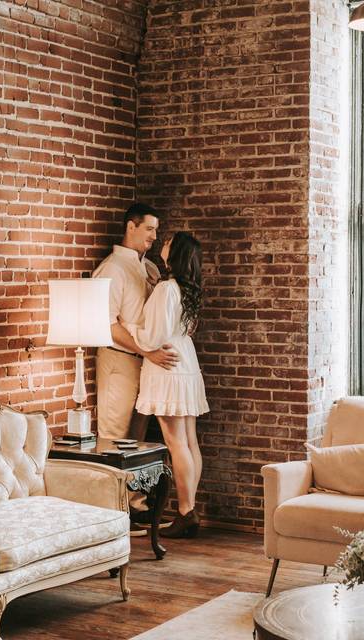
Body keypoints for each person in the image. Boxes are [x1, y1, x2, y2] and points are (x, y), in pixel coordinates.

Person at [125, 231, 208, 539]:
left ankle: (186, 511)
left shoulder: (166, 289)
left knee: (176, 442)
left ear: (177, 253)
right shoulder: (189, 289)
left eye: (170, 240)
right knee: (189, 440)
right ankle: (191, 508)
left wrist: (127, 325)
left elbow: (152, 336)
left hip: (168, 366)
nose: (164, 241)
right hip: (186, 363)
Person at [93, 203, 179, 441]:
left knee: (137, 440)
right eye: (149, 229)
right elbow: (105, 326)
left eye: (155, 230)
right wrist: (147, 351)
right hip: (120, 362)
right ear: (131, 227)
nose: (154, 236)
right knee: (114, 437)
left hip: (148, 363)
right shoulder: (112, 268)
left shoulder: (149, 267)